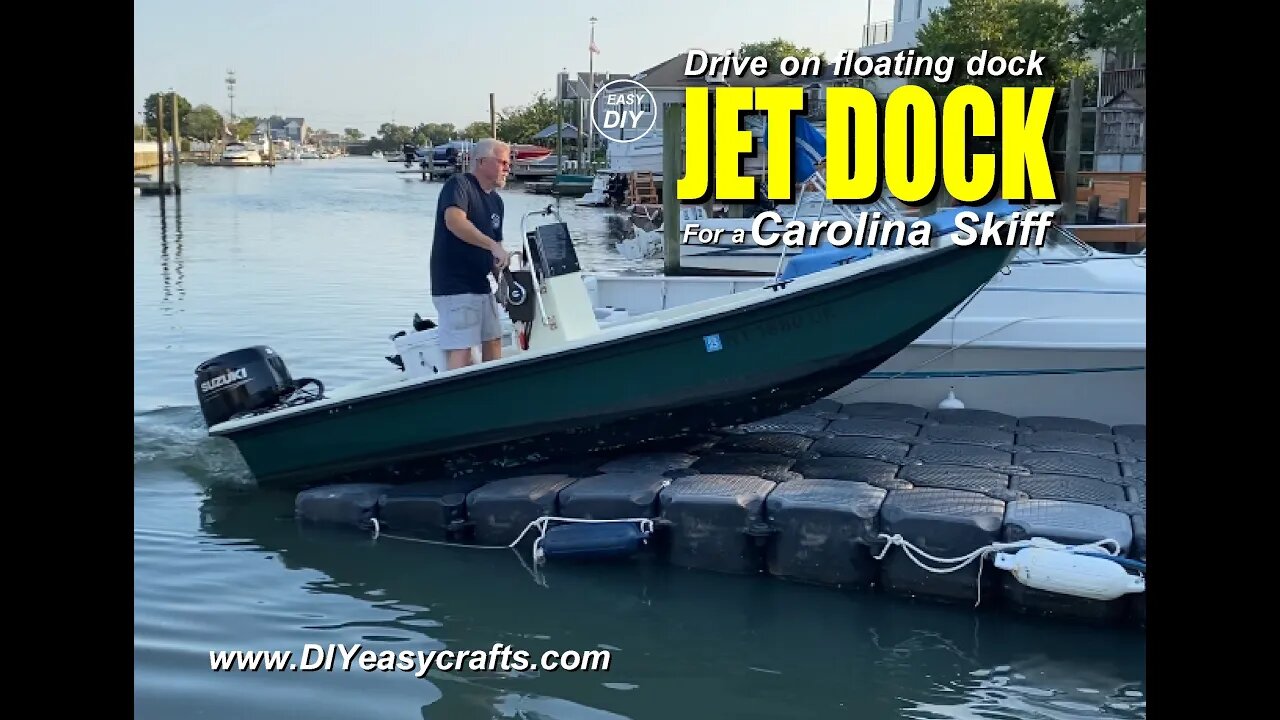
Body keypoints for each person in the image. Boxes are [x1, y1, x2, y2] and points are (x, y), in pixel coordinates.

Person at [430, 138, 512, 369]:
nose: (508, 168)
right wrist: (492, 246)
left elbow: (496, 247)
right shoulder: (459, 185)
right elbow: (454, 222)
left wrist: (502, 282)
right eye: (503, 162)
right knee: (462, 348)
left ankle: (491, 396)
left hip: (480, 285)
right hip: (455, 286)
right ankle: (455, 399)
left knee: (493, 340)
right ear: (482, 161)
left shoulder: (497, 202)